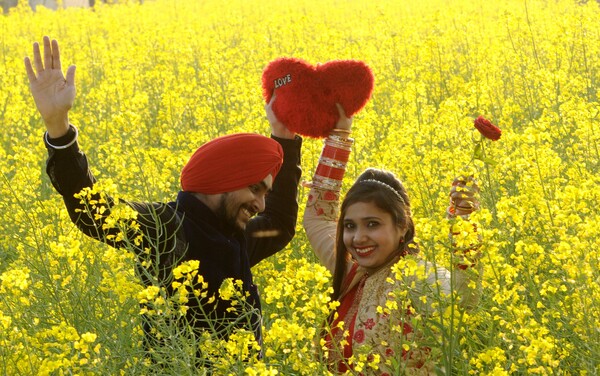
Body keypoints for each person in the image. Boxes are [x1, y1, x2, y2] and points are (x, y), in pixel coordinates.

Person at [24, 36, 302, 361]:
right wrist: (58, 127)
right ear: (224, 180)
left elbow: (280, 224)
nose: (261, 205)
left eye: (266, 192)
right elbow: (94, 213)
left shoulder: (236, 235)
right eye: (256, 189)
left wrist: (284, 136)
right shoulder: (166, 228)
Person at [303, 112, 482, 374]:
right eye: (350, 226)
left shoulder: (417, 278)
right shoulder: (353, 273)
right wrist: (339, 135)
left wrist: (463, 226)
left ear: (402, 228)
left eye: (372, 224)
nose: (358, 237)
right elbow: (318, 218)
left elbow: (463, 298)